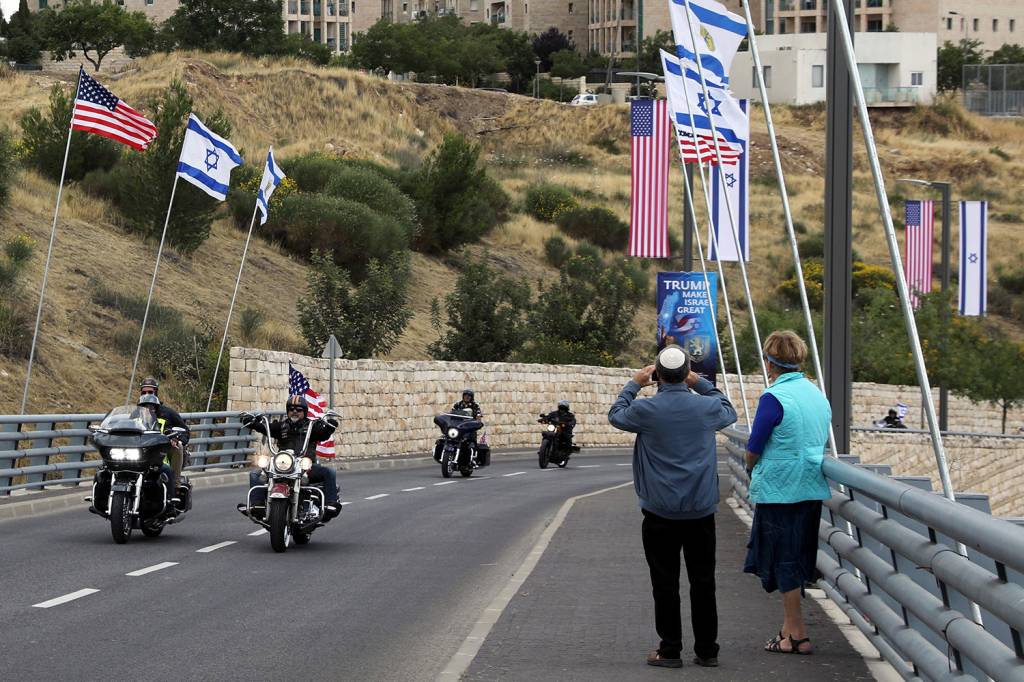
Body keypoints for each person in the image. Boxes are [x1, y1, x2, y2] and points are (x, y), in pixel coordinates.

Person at [608, 345, 737, 669]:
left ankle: (670, 650)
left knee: (664, 583)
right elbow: (728, 409)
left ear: (658, 375)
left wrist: (635, 383)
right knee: (703, 582)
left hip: (659, 512)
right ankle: (707, 650)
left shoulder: (645, 411)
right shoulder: (706, 408)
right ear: (686, 374)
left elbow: (615, 415)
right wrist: (699, 382)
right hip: (700, 511)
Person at [743, 330, 833, 656]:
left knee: (782, 559)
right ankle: (786, 630)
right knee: (797, 556)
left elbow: (754, 447)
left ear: (770, 361)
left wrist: (750, 464)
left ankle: (797, 633)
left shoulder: (774, 398)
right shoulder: (817, 395)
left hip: (780, 490)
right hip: (810, 487)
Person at [240, 396, 342, 520]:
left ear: (304, 412)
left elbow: (323, 433)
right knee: (255, 474)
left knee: (329, 472)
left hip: (306, 467)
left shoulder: (312, 426)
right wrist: (252, 423)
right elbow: (266, 428)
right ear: (287, 411)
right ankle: (257, 505)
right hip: (283, 465)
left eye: (298, 409)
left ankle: (330, 504)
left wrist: (330, 427)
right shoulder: (281, 426)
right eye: (291, 409)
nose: (294, 412)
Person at [139, 377, 190, 501]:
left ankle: (175, 485)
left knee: (178, 447)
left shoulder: (168, 413)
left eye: (150, 392)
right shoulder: (135, 414)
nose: (147, 395)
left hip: (162, 450)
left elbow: (185, 432)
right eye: (144, 392)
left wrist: (177, 439)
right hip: (140, 450)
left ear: (156, 392)